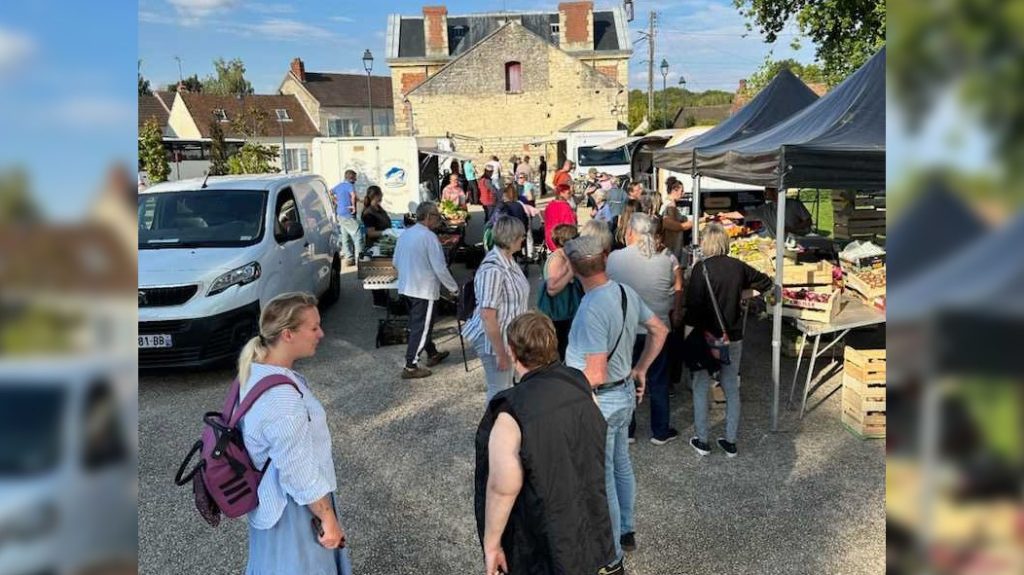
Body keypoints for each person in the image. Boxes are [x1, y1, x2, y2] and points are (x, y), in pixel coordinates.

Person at [475, 312, 615, 575]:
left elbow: (503, 488)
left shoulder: (510, 413)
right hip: (587, 521)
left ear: (513, 352)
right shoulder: (582, 386)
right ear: (552, 345)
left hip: (542, 537)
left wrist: (492, 545)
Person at [564, 235, 668, 561]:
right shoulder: (623, 291)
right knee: (621, 463)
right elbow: (659, 330)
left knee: (603, 474)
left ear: (572, 268)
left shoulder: (590, 308)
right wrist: (641, 369)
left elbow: (593, 373)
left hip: (601, 399)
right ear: (605, 258)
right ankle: (626, 529)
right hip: (623, 392)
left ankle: (611, 554)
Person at [236, 292, 352, 574]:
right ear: (288, 334)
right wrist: (327, 518)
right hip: (293, 510)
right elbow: (296, 468)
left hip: (273, 504)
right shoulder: (281, 397)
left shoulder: (257, 372)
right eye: (313, 328)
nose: (321, 334)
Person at [684, 223, 775, 458]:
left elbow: (692, 308)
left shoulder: (699, 269)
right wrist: (742, 295)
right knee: (731, 386)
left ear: (705, 243)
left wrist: (686, 337)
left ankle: (702, 439)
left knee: (701, 386)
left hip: (705, 336)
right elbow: (767, 284)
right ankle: (731, 440)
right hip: (732, 336)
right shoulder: (738, 267)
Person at [607, 214, 681, 445]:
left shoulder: (614, 258)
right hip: (657, 330)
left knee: (623, 379)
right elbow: (677, 286)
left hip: (625, 330)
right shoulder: (667, 259)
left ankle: (627, 430)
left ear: (631, 232)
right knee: (658, 380)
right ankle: (659, 431)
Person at [462, 216, 531, 401]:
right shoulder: (493, 269)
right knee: (500, 390)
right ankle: (495, 426)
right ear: (511, 237)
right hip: (494, 338)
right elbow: (487, 315)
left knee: (506, 386)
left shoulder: (508, 260)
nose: (524, 239)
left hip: (507, 335)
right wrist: (500, 352)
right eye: (521, 236)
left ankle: (505, 424)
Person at [393, 202, 459, 379]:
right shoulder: (429, 237)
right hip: (423, 289)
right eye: (437, 216)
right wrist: (454, 288)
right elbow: (440, 268)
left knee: (419, 324)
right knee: (421, 327)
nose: (438, 219)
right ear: (428, 217)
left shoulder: (405, 234)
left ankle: (432, 352)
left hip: (406, 287)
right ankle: (410, 365)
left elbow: (395, 262)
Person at [539, 223, 581, 360]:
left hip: (565, 310)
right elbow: (552, 289)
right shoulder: (557, 259)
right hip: (558, 311)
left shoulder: (564, 256)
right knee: (561, 346)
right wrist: (571, 273)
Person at [712, 186, 814, 237]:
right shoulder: (766, 208)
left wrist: (792, 228)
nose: (764, 193)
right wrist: (725, 214)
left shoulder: (794, 204)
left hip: (798, 242)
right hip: (777, 244)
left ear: (775, 191)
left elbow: (808, 221)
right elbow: (744, 213)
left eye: (767, 191)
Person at [332, 169, 363, 267]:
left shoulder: (339, 186)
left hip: (340, 215)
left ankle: (349, 259)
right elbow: (353, 195)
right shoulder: (350, 186)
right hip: (347, 214)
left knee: (345, 237)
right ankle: (360, 260)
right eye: (355, 177)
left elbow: (329, 193)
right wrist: (353, 206)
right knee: (358, 235)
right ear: (351, 178)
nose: (356, 179)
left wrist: (337, 202)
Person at [661, 179, 694, 263]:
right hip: (671, 246)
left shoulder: (670, 204)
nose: (683, 193)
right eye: (681, 191)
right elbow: (675, 227)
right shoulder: (669, 206)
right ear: (674, 190)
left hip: (674, 246)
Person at [543, 183, 577, 252]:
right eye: (568, 193)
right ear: (561, 193)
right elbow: (570, 226)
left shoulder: (550, 205)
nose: (570, 195)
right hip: (561, 240)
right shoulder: (565, 207)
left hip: (550, 237)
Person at [361, 185, 390, 250]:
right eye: (381, 193)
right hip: (374, 248)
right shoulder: (369, 213)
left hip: (384, 245)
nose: (382, 195)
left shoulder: (379, 208)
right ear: (376, 196)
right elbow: (370, 233)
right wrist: (385, 232)